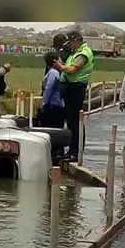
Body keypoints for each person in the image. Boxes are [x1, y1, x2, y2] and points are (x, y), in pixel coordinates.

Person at [53, 31, 94, 160]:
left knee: (74, 121)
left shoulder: (83, 53)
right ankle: (72, 150)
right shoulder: (75, 53)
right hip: (71, 88)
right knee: (71, 121)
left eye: (70, 42)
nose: (69, 45)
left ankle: (75, 151)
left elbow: (72, 70)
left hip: (76, 88)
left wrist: (59, 66)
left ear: (76, 41)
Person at [39, 52, 66, 128]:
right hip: (53, 105)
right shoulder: (54, 73)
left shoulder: (52, 72)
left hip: (55, 105)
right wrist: (45, 103)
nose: (61, 62)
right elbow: (49, 88)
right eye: (60, 60)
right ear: (55, 61)